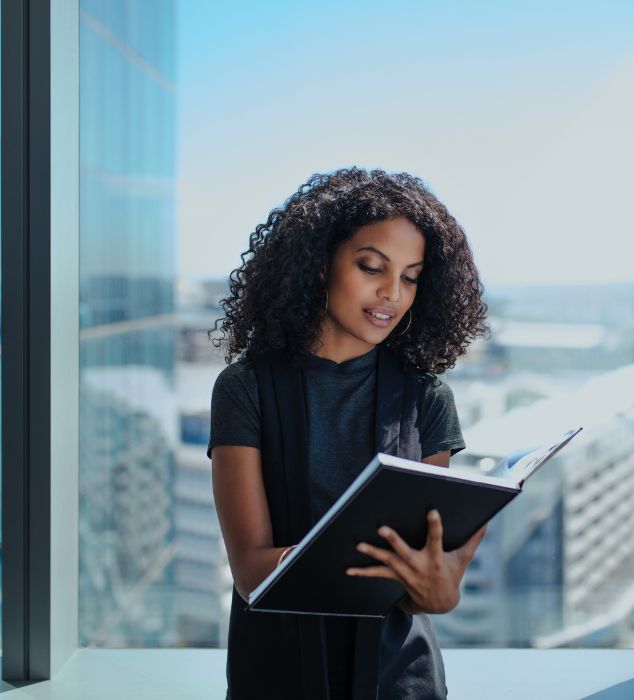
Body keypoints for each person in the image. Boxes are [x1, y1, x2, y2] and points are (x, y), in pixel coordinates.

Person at [206, 167, 490, 699]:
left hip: (401, 682)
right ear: (319, 265)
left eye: (410, 276)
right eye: (371, 267)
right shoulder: (245, 388)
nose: (392, 293)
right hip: (276, 678)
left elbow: (422, 583)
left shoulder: (427, 399)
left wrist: (439, 590)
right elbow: (251, 572)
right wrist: (394, 571)